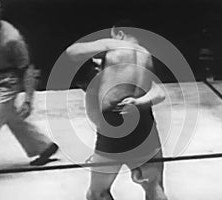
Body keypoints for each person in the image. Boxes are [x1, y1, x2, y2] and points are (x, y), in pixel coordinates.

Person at [66, 21, 168, 200]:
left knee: (97, 193)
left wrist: (108, 43)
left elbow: (72, 52)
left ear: (118, 33)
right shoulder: (146, 54)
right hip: (144, 121)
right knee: (154, 188)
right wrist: (139, 102)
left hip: (114, 125)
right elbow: (158, 92)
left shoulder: (113, 49)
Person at [0, 0, 58, 186]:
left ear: (0, 13)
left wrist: (28, 100)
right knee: (10, 117)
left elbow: (27, 69)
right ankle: (44, 147)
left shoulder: (12, 38)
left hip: (8, 83)